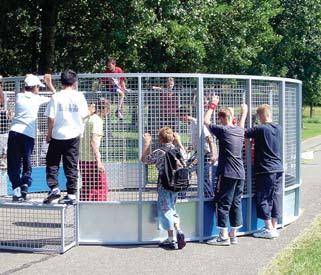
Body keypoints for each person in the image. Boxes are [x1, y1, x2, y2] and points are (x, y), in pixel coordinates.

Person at [43, 69, 94, 205]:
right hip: (74, 135)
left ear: (61, 82)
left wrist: (49, 134)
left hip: (58, 134)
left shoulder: (56, 96)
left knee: (52, 162)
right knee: (71, 164)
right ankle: (71, 194)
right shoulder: (79, 96)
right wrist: (90, 111)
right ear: (75, 82)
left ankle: (54, 187)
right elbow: (83, 115)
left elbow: (51, 117)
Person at [204, 96, 248, 246]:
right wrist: (244, 113)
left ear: (223, 118)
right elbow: (241, 124)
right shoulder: (240, 131)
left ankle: (223, 237)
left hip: (227, 173)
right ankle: (233, 235)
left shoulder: (223, 130)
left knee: (222, 203)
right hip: (240, 173)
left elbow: (206, 121)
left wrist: (212, 104)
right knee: (236, 203)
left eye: (219, 118)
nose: (219, 121)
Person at [8, 74, 56, 202]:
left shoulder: (19, 96)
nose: (39, 90)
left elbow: (25, 89)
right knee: (27, 163)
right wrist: (49, 84)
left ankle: (17, 190)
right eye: (38, 87)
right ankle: (24, 186)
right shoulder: (38, 99)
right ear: (34, 87)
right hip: (28, 135)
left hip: (14, 132)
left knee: (14, 163)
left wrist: (29, 77)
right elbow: (56, 97)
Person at [141, 127, 187, 250]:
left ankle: (174, 236)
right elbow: (186, 158)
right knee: (172, 207)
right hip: (176, 185)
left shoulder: (159, 152)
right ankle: (175, 234)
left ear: (160, 140)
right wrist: (179, 141)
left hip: (164, 184)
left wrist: (146, 143)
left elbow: (144, 160)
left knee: (166, 210)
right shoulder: (178, 150)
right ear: (173, 137)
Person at [245, 104, 283, 239]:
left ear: (261, 115)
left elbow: (243, 133)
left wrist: (245, 114)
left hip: (265, 169)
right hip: (278, 168)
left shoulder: (260, 128)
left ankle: (268, 228)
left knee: (263, 197)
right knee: (275, 197)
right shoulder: (279, 128)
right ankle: (274, 226)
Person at [178, 106, 218, 197]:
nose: (179, 119)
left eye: (179, 117)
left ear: (185, 115)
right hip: (197, 154)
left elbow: (209, 137)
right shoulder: (190, 125)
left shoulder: (197, 123)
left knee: (199, 175)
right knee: (189, 171)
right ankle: (183, 195)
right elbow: (196, 140)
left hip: (204, 154)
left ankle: (208, 197)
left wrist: (213, 153)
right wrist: (189, 149)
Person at [79, 98, 110, 201]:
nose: (109, 111)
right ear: (104, 109)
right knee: (101, 186)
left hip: (82, 158)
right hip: (92, 160)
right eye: (108, 108)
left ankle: (83, 208)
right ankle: (100, 209)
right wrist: (99, 161)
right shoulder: (97, 121)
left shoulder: (87, 119)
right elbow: (94, 141)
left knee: (87, 186)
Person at [0, 76, 13, 168]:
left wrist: (8, 112)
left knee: (4, 151)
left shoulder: (5, 96)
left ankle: (3, 161)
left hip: (4, 131)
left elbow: (10, 114)